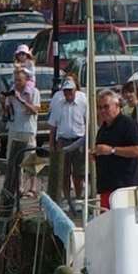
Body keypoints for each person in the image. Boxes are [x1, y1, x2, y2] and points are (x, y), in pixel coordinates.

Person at [93, 89, 138, 207]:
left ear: (117, 106)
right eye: (100, 108)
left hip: (124, 188)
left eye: (106, 107)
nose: (102, 111)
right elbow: (104, 151)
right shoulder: (103, 128)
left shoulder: (128, 124)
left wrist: (112, 150)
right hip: (106, 186)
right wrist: (96, 154)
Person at [0, 65, 40, 209]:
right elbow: (7, 114)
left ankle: (32, 187)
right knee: (14, 160)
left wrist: (21, 100)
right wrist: (5, 102)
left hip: (28, 130)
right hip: (14, 129)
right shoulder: (12, 94)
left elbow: (35, 110)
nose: (17, 83)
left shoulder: (33, 92)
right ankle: (18, 187)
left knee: (30, 159)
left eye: (19, 81)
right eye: (15, 80)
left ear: (26, 80)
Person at [48, 76, 87, 205]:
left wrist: (89, 140)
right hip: (63, 141)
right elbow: (52, 126)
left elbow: (88, 121)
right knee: (64, 173)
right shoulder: (58, 105)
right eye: (66, 91)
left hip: (79, 141)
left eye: (70, 90)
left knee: (78, 173)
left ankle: (79, 197)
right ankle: (67, 198)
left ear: (75, 91)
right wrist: (52, 144)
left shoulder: (83, 102)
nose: (68, 93)